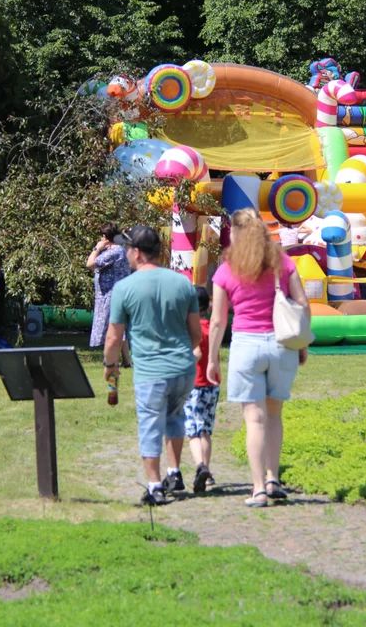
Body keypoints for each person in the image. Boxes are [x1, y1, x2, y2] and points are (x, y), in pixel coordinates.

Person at [206, 208, 310, 508]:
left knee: (254, 419)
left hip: (246, 346)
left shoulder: (226, 269)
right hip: (281, 344)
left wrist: (212, 359)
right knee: (274, 415)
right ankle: (274, 478)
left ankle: (258, 489)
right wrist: (303, 345)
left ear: (235, 233)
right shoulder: (283, 262)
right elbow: (302, 303)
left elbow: (217, 321)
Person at [104, 226, 201, 507]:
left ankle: (155, 485)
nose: (125, 254)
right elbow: (196, 333)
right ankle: (175, 472)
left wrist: (110, 365)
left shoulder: (125, 288)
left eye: (127, 249)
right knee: (174, 417)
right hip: (183, 369)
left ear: (136, 252)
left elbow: (113, 336)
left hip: (151, 372)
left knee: (149, 424)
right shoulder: (183, 283)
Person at [185, 286, 218, 493]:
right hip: (212, 385)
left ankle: (201, 466)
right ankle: (206, 475)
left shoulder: (191, 330)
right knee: (205, 430)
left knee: (192, 431)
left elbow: (194, 353)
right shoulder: (213, 328)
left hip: (194, 385)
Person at [86, 223, 131, 364]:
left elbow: (90, 264)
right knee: (120, 327)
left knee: (113, 328)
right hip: (115, 294)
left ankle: (112, 360)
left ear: (105, 237)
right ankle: (126, 361)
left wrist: (97, 248)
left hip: (110, 295)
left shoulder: (113, 252)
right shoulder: (120, 250)